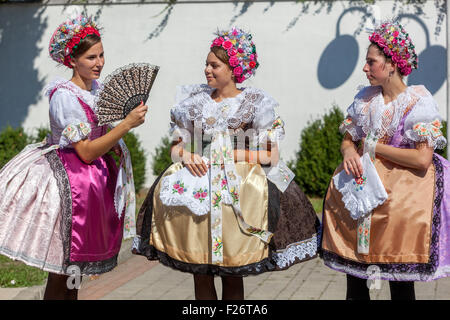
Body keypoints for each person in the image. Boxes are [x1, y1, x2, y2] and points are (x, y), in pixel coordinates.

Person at [132, 27, 320, 300]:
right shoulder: (193, 103)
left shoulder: (255, 103)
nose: (207, 70)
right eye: (206, 64)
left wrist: (229, 155)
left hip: (240, 191)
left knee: (233, 268)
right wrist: (187, 156)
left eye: (215, 65)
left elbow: (270, 155)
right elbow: (176, 148)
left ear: (234, 70)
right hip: (199, 187)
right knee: (201, 269)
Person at [0, 15, 148, 300]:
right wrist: (125, 125)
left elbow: (100, 140)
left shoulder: (97, 90)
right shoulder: (64, 97)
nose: (99, 63)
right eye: (91, 57)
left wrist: (115, 140)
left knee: (75, 272)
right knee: (62, 267)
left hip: (92, 186)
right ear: (72, 61)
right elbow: (86, 151)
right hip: (67, 186)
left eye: (102, 55)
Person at [320, 20, 450, 300]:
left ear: (392, 64)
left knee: (398, 280)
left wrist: (373, 147)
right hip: (361, 195)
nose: (365, 67)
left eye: (371, 61)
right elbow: (349, 137)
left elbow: (422, 158)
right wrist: (349, 151)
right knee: (356, 278)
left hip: (401, 201)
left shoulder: (418, 102)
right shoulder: (365, 99)